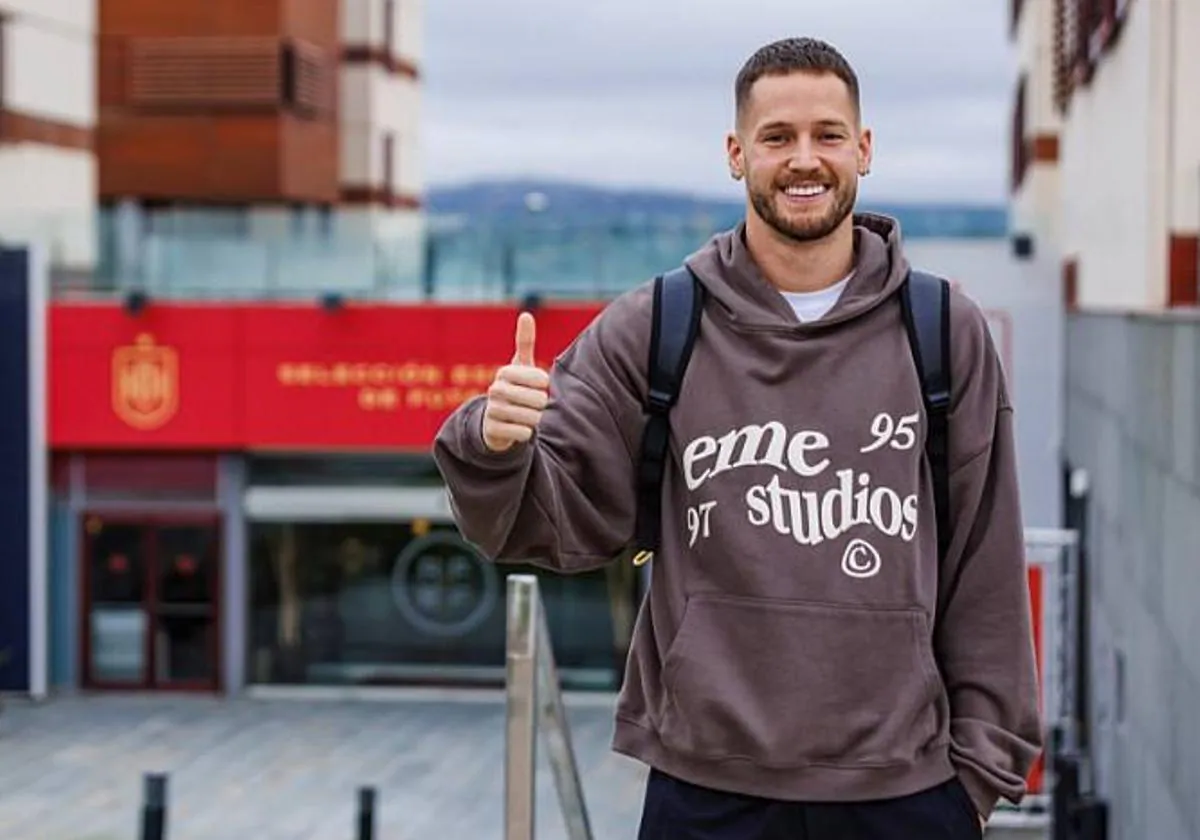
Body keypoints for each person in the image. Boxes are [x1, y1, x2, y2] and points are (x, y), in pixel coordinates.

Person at [433, 36, 1042, 840]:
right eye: (776, 137)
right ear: (735, 153)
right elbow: (555, 519)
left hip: (906, 789)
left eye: (827, 135)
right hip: (706, 787)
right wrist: (495, 444)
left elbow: (986, 559)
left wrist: (978, 778)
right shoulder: (658, 325)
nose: (804, 159)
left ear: (863, 149)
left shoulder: (940, 330)